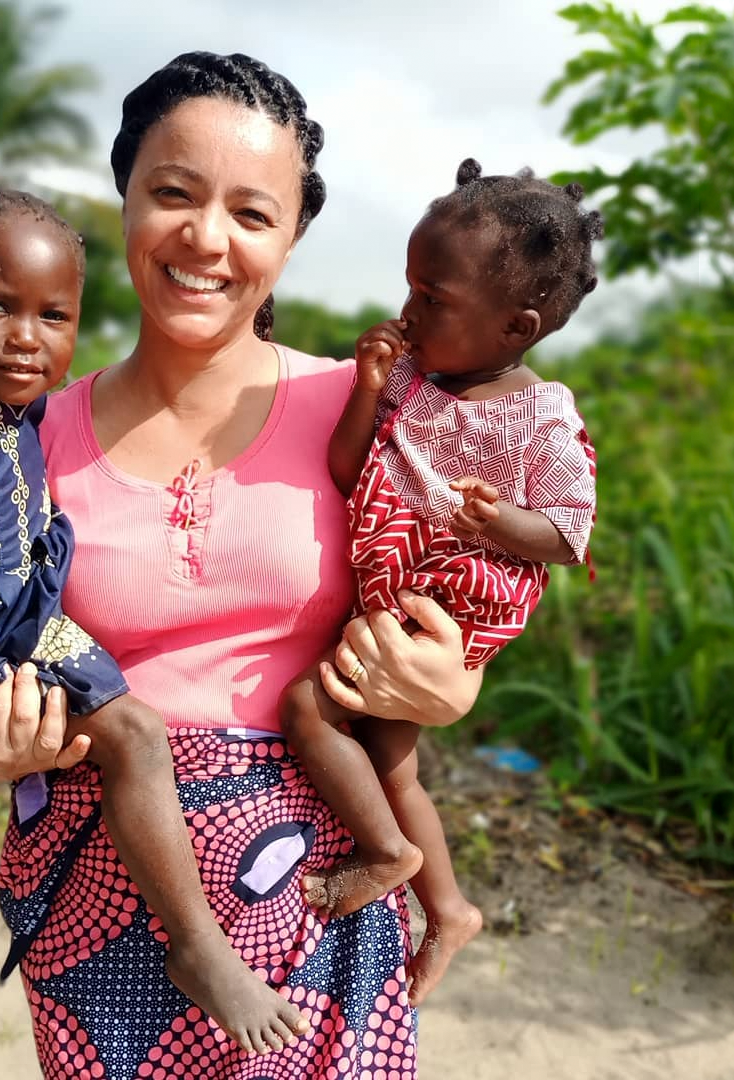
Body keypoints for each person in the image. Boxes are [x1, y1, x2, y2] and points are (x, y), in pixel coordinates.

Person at [0, 52, 484, 1078]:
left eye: (251, 213)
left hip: (325, 888)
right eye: (173, 195)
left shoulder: (367, 412)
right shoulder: (23, 436)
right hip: (104, 900)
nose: (206, 239)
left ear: (293, 237)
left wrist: (454, 678)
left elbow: (454, 595)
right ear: (126, 202)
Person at [0, 189, 311, 1050]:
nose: (27, 337)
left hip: (18, 624)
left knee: (133, 729)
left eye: (54, 316)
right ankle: (199, 943)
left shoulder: (23, 418)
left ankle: (193, 938)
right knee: (135, 733)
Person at [281, 159, 603, 1006]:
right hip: (393, 583)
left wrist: (499, 521)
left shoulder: (542, 415)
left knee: (311, 709)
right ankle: (445, 905)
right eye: (411, 290)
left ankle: (395, 861)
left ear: (515, 326)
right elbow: (350, 470)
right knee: (389, 760)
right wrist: (368, 390)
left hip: (453, 599)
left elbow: (569, 532)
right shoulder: (413, 384)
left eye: (435, 299)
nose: (410, 313)